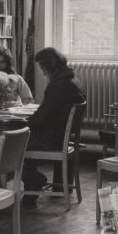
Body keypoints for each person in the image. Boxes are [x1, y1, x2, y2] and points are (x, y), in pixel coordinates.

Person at [22, 47, 86, 207]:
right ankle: (35, 181)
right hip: (62, 136)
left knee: (14, 144)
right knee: (24, 138)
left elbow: (41, 117)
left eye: (43, 69)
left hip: (51, 138)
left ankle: (34, 180)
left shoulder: (58, 86)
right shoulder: (73, 80)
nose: (43, 73)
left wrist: (23, 123)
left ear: (52, 67)